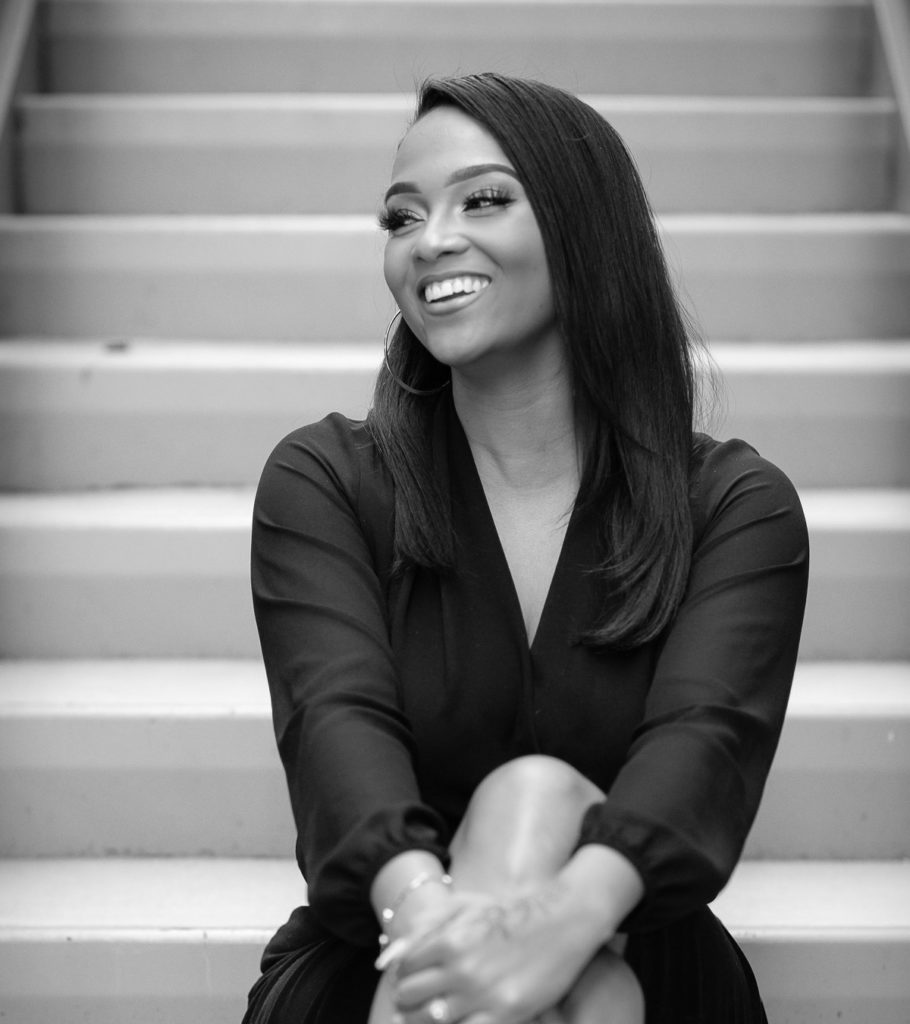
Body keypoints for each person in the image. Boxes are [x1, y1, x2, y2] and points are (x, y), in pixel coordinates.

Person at [243, 73, 809, 1024]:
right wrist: (439, 928)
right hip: (379, 952)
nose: (430, 240)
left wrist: (564, 925)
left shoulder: (734, 508)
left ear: (584, 228)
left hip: (643, 954)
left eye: (484, 200)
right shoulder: (327, 481)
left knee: (541, 808)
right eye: (402, 216)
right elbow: (334, 736)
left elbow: (705, 751)